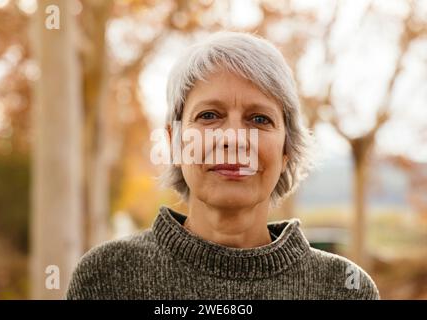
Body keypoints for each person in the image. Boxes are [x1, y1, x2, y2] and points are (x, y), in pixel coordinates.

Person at [66, 31, 379, 300]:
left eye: (259, 119)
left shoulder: (346, 288)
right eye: (209, 116)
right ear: (175, 142)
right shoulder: (107, 277)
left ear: (287, 148)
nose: (234, 139)